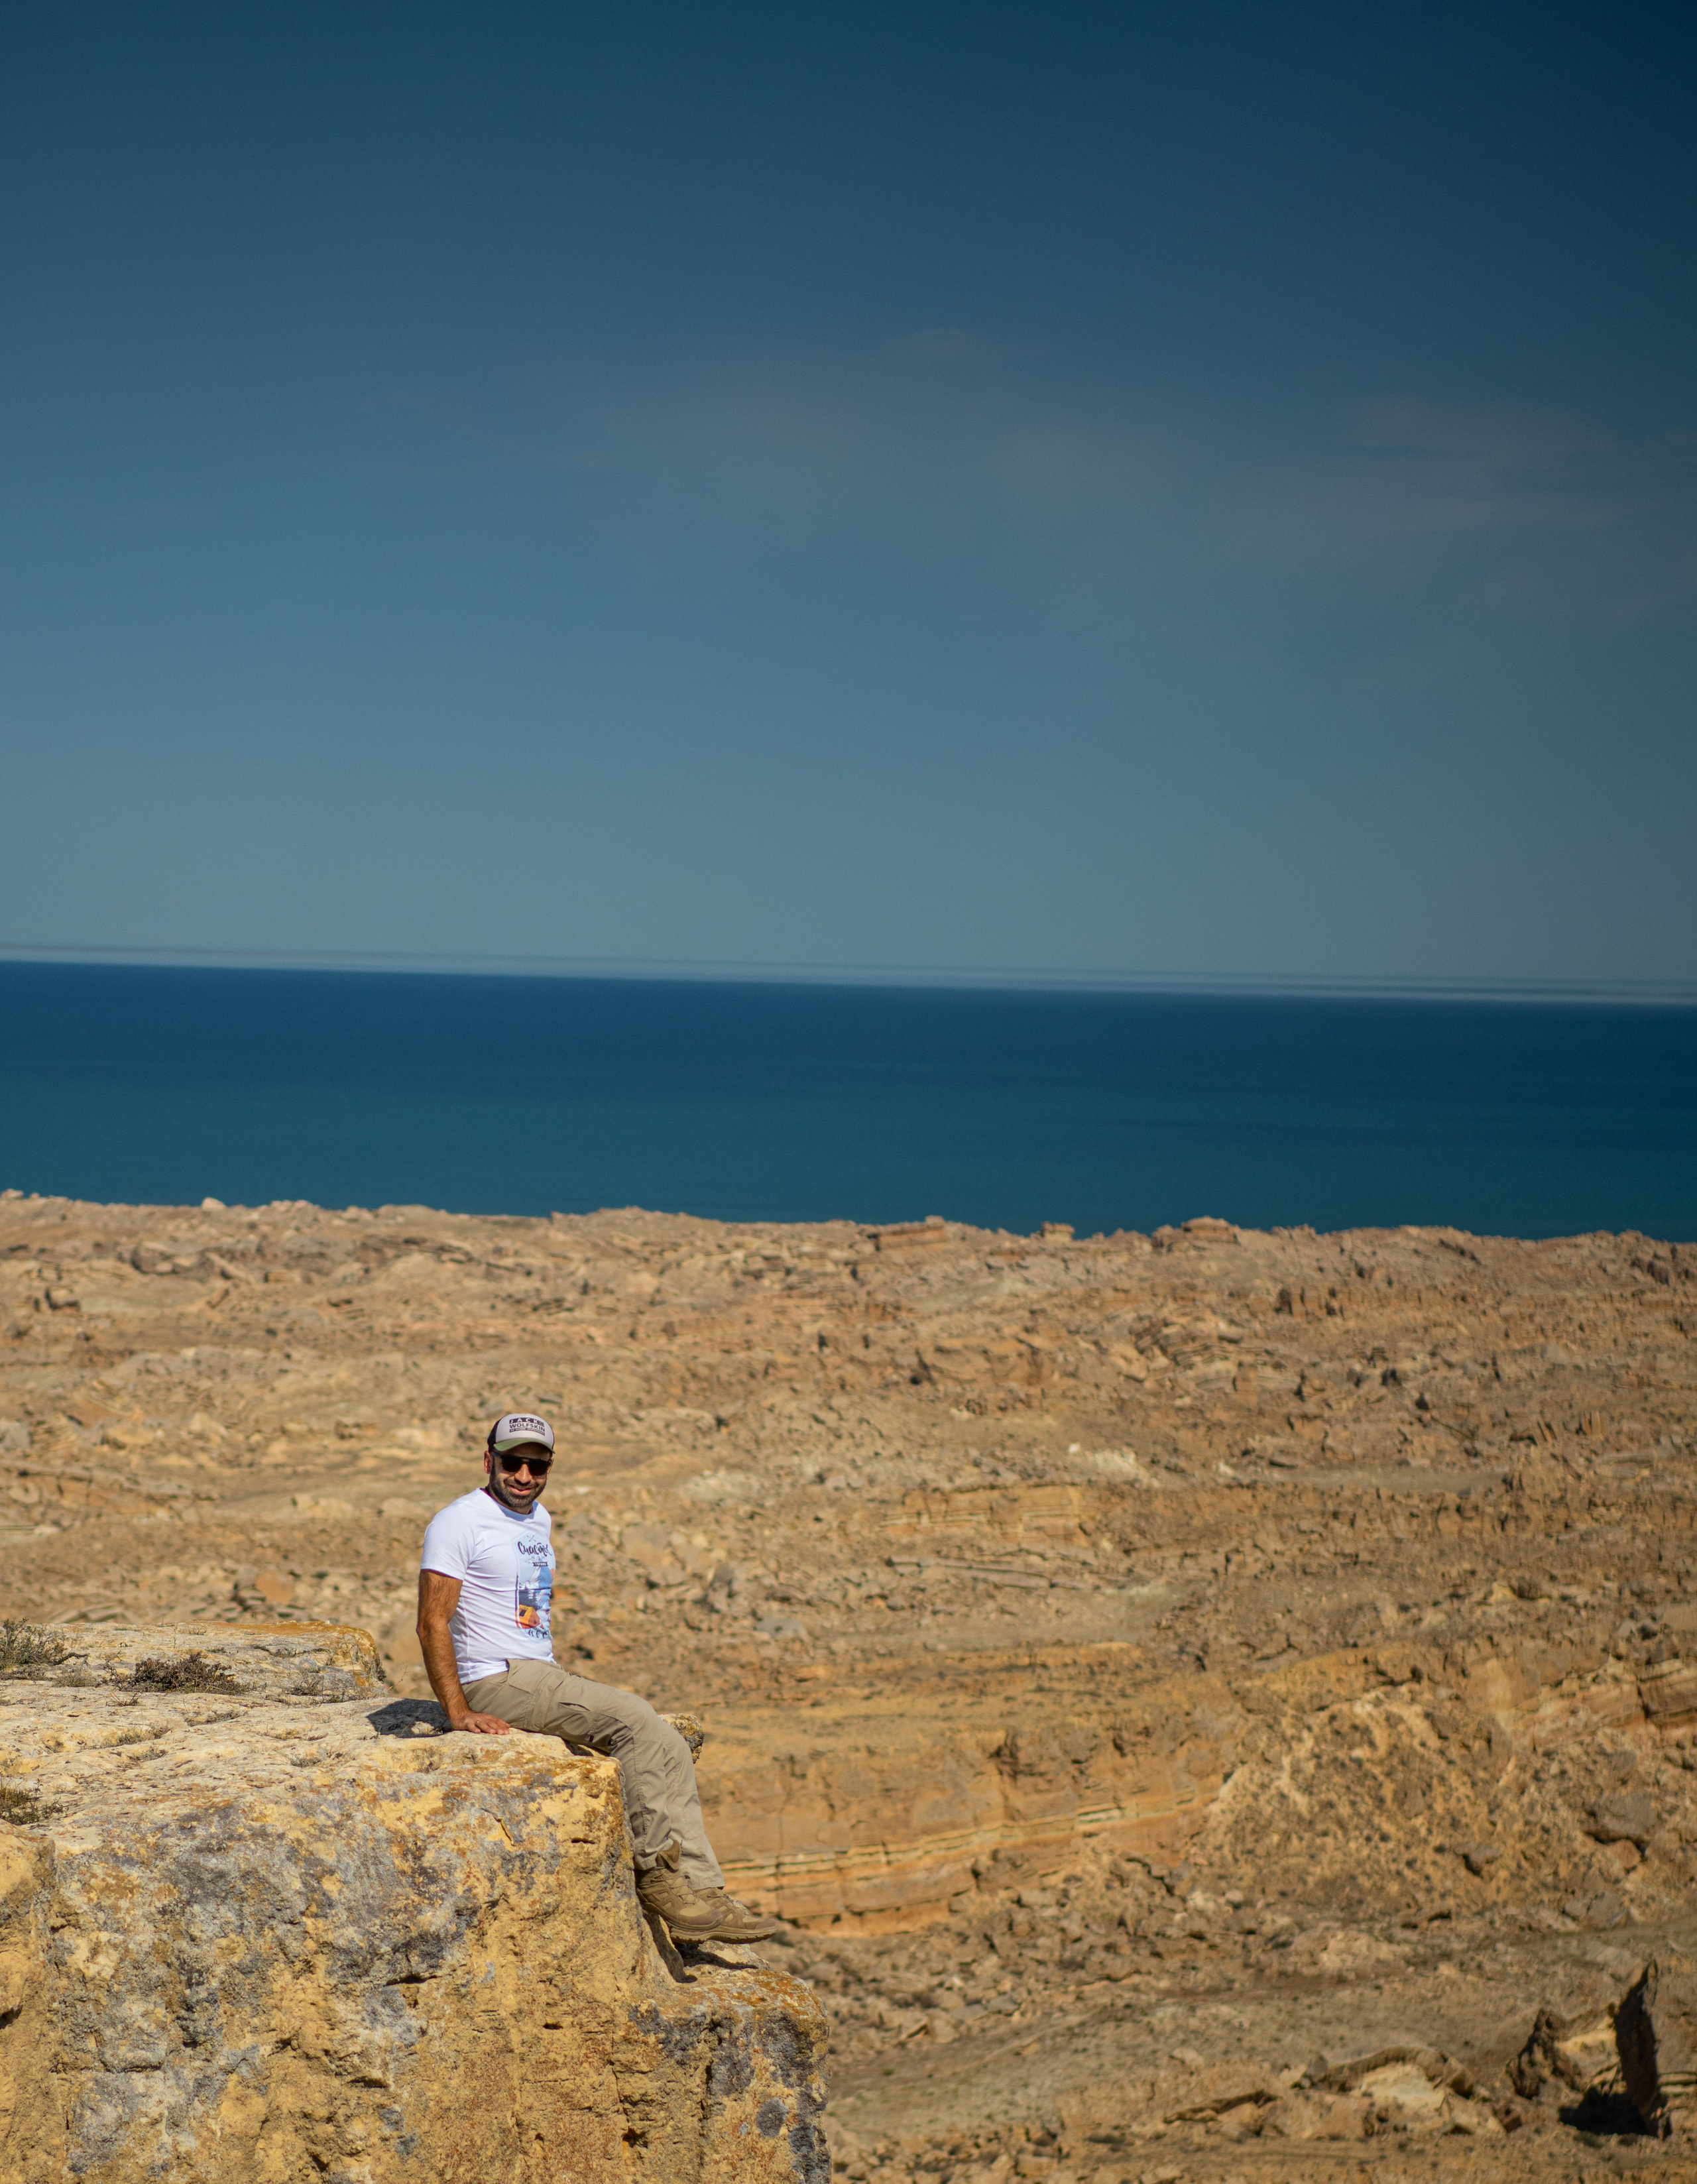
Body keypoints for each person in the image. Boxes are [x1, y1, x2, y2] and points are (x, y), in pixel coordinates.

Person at [416, 1410, 777, 1945]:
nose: (523, 1475)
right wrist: (457, 1709)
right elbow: (432, 1620)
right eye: (512, 1462)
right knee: (633, 1718)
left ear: (550, 1467)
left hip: (537, 1670)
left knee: (668, 1742)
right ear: (488, 1459)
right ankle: (657, 1876)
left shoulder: (538, 1519)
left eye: (537, 1465)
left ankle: (703, 1891)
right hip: (496, 1676)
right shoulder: (459, 1521)